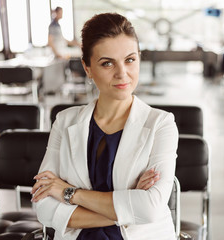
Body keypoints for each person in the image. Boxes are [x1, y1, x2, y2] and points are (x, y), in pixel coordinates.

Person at [32, 13, 179, 240]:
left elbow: (150, 208)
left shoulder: (161, 124)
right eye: (107, 63)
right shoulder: (64, 121)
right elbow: (44, 206)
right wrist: (128, 205)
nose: (122, 73)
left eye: (130, 60)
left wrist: (68, 193)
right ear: (88, 68)